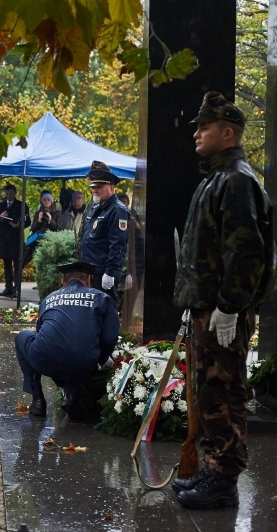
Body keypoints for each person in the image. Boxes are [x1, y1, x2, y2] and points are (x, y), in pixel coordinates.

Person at [171, 92, 276, 510]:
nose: (196, 133)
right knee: (208, 391)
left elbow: (247, 251)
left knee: (224, 389)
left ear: (227, 132)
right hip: (207, 309)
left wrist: (231, 306)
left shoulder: (237, 180)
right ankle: (214, 470)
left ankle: (224, 479)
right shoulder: (217, 178)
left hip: (221, 311)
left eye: (205, 127)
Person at [14, 261, 118, 419]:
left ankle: (38, 400)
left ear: (63, 282)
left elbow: (41, 332)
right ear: (89, 280)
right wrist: (103, 359)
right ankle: (70, 393)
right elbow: (110, 336)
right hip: (85, 363)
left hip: (45, 360)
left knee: (23, 337)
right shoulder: (101, 298)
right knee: (76, 344)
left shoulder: (49, 299)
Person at [79, 161, 129, 306]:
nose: (95, 190)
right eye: (93, 187)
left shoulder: (117, 210)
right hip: (91, 271)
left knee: (106, 311)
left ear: (112, 187)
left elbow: (118, 244)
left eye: (99, 187)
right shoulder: (98, 207)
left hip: (103, 272)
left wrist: (110, 272)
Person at [0, 184, 30, 298]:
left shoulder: (21, 204)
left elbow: (28, 221)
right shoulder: (0, 205)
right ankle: (8, 287)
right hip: (5, 238)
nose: (9, 196)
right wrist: (1, 217)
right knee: (7, 264)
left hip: (16, 238)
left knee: (17, 264)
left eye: (11, 194)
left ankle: (16, 288)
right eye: (7, 194)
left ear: (15, 193)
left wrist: (20, 224)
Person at [24, 192, 63, 267]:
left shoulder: (57, 213)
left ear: (51, 201)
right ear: (42, 202)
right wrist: (39, 220)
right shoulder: (38, 213)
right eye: (44, 200)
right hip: (38, 242)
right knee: (38, 263)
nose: (46, 201)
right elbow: (33, 228)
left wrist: (50, 220)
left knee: (48, 263)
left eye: (48, 200)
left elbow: (58, 228)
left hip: (51, 242)